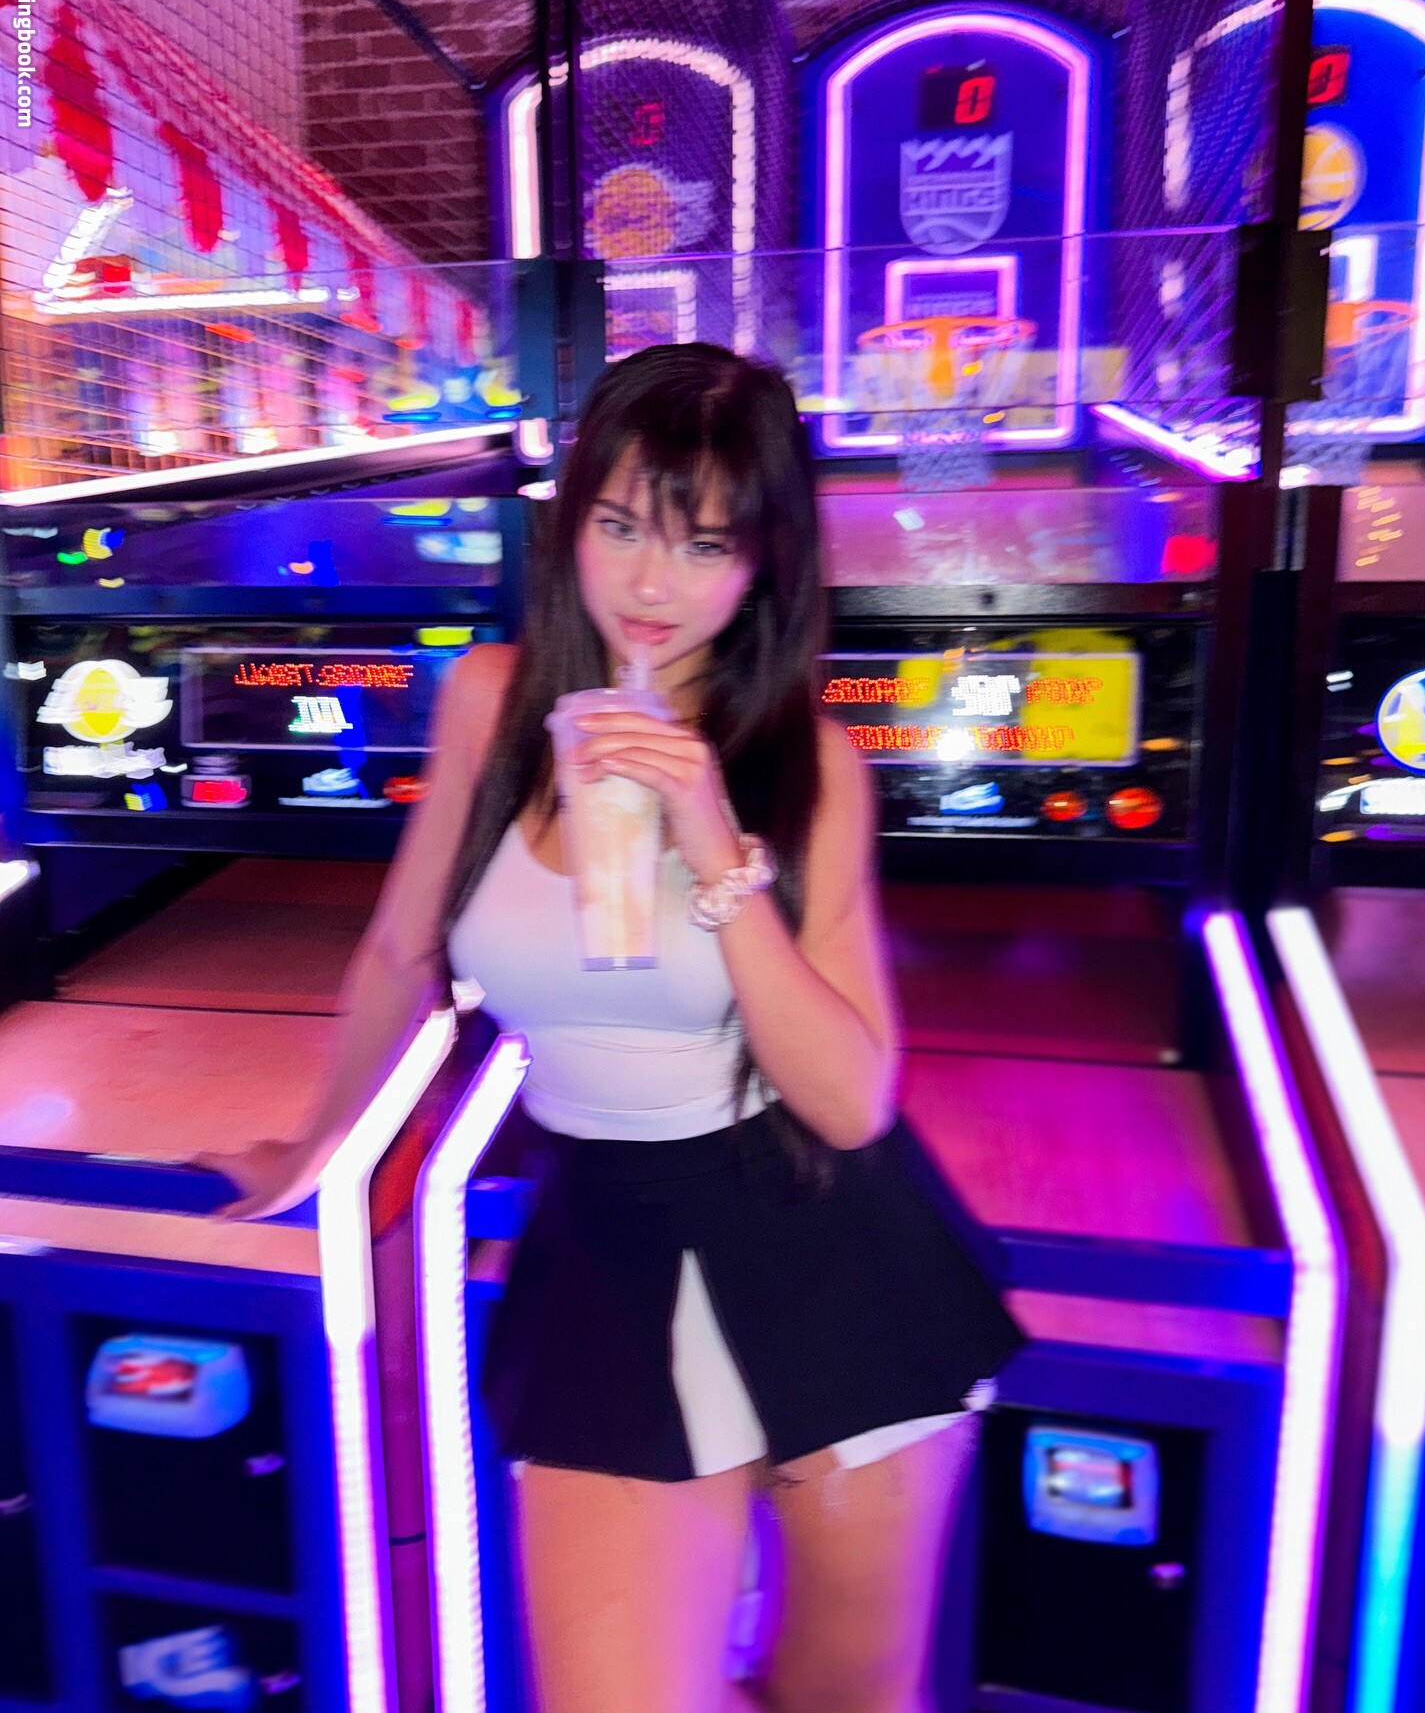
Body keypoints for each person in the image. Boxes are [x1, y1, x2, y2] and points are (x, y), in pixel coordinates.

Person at [207, 344, 1023, 1713]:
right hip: (607, 1243)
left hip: (830, 1250)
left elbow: (850, 1099)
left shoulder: (808, 765)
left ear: (763, 564)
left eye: (705, 545)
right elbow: (402, 951)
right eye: (623, 524)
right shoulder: (492, 703)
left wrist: (715, 842)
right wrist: (317, 1146)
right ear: (571, 519)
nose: (653, 584)